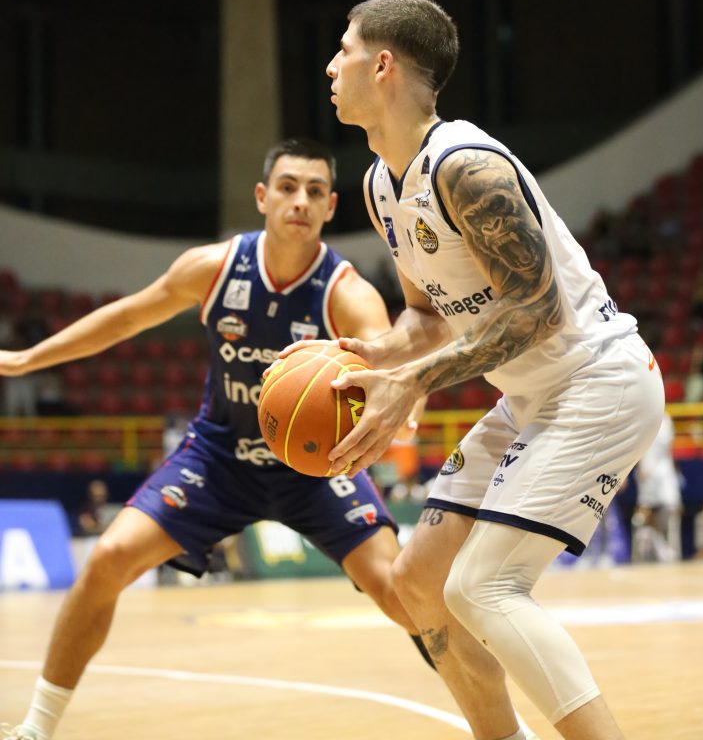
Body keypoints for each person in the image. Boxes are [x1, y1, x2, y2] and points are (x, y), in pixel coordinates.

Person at [0, 137, 433, 740]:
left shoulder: (346, 292)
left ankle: (501, 724)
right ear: (261, 196)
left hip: (314, 470)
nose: (300, 201)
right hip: (219, 458)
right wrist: (26, 360)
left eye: (314, 191)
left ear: (331, 206)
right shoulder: (215, 269)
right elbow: (127, 317)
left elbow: (395, 363)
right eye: (287, 187)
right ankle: (36, 728)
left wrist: (406, 408)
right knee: (106, 559)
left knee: (403, 594)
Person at [318, 0, 665, 740]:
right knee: (419, 583)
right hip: (531, 397)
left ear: (383, 65)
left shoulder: (466, 167)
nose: (330, 66)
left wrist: (411, 381)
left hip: (598, 381)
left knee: (484, 587)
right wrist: (379, 354)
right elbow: (427, 315)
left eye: (343, 50)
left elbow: (538, 311)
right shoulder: (382, 185)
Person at [631, 411, 682, 562]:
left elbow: (668, 449)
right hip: (647, 467)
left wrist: (673, 471)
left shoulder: (667, 419)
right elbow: (638, 443)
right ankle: (642, 555)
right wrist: (640, 465)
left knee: (672, 510)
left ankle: (672, 551)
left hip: (664, 470)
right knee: (644, 514)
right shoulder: (642, 414)